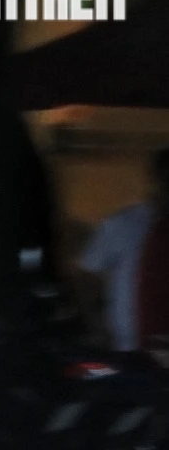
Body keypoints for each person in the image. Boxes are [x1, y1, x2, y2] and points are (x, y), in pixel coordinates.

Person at [77, 148, 169, 352]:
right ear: (156, 179)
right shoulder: (122, 224)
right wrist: (97, 326)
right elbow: (87, 276)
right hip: (128, 350)